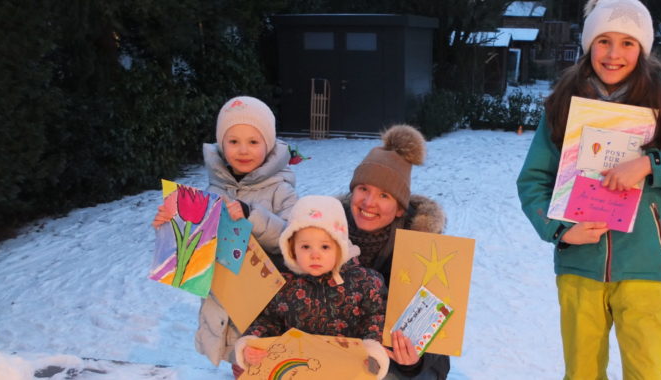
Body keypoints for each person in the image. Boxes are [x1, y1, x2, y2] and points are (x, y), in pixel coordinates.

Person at [516, 0, 661, 379]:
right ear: (589, 45)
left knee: (646, 372)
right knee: (581, 372)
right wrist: (560, 230)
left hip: (645, 265)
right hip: (579, 264)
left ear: (643, 48)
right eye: (603, 41)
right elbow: (533, 180)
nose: (614, 54)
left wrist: (650, 166)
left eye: (627, 43)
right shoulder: (563, 102)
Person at [151, 95, 298, 366]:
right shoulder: (213, 191)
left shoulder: (282, 191)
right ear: (221, 145)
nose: (243, 150)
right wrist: (171, 225)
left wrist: (251, 216)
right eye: (233, 141)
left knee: (271, 367)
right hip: (225, 304)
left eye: (253, 142)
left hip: (267, 305)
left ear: (268, 145)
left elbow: (291, 241)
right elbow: (197, 248)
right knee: (240, 365)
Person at [231, 195, 390, 379]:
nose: (315, 255)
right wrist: (253, 344)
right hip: (299, 372)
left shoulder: (364, 282)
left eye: (324, 247)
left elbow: (374, 318)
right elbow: (268, 321)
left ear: (340, 247)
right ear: (292, 248)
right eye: (305, 246)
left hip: (347, 371)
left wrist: (372, 350)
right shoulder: (283, 286)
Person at [342, 124, 449, 380]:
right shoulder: (328, 232)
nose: (369, 202)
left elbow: (437, 319)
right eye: (363, 189)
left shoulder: (423, 246)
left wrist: (414, 360)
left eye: (384, 195)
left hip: (406, 365)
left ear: (400, 209)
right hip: (347, 351)